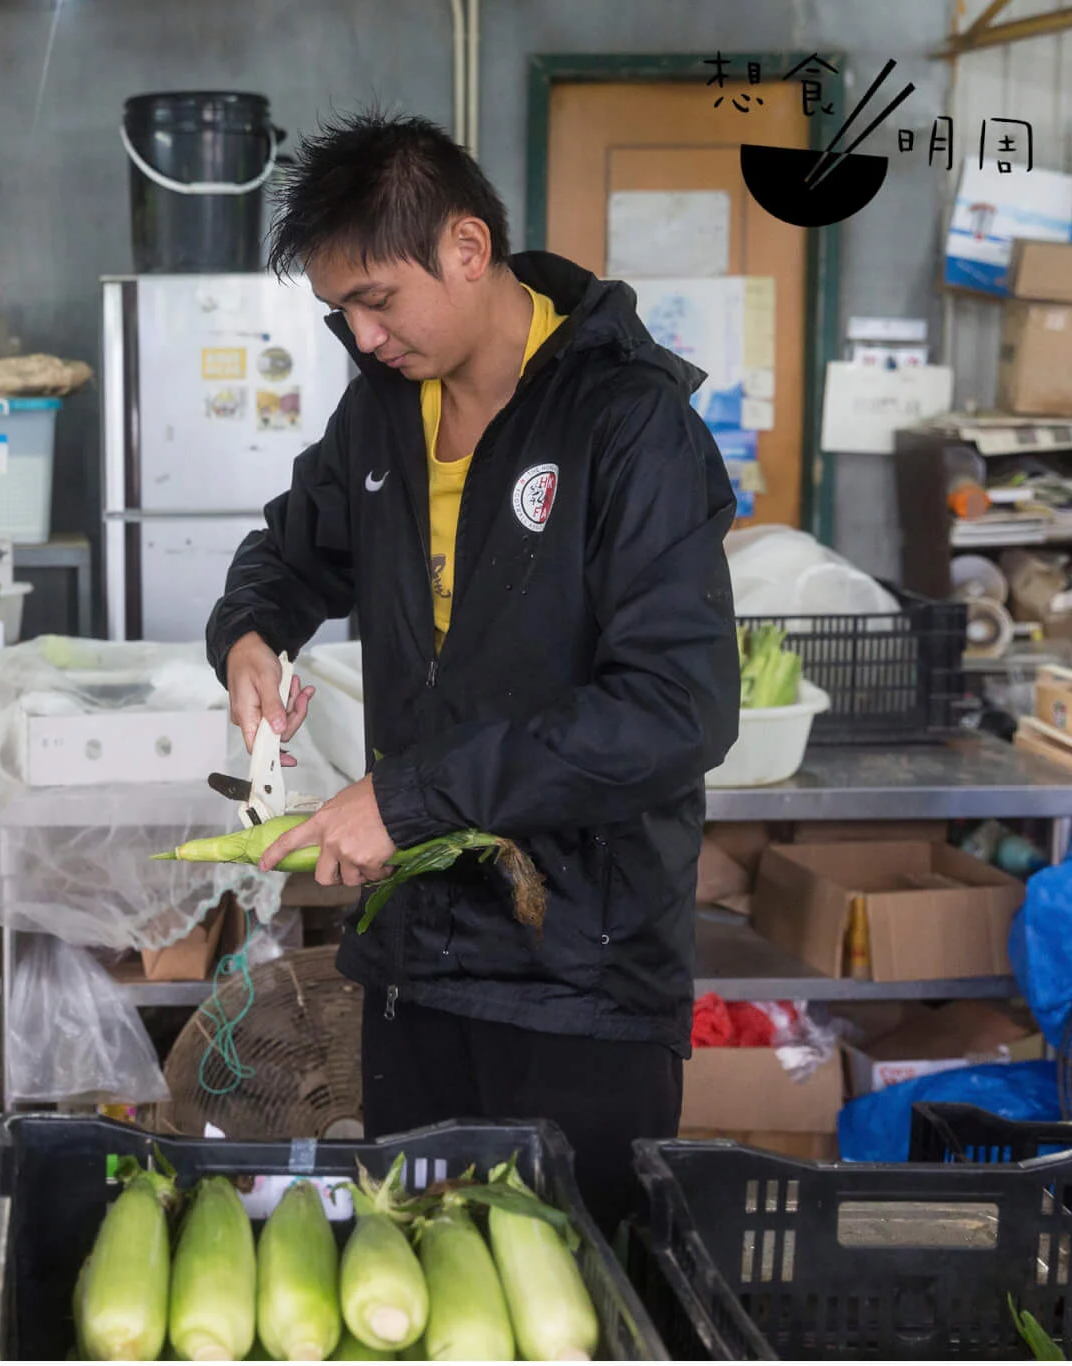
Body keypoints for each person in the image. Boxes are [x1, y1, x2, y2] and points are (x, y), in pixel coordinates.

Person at [207, 114, 739, 1231]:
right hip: (414, 965)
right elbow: (288, 550)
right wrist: (250, 635)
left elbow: (673, 713)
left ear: (462, 246)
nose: (359, 337)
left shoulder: (626, 425)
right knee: (418, 1274)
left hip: (580, 981)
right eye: (338, 312)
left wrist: (404, 798)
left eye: (376, 301)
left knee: (570, 1299)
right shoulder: (381, 416)